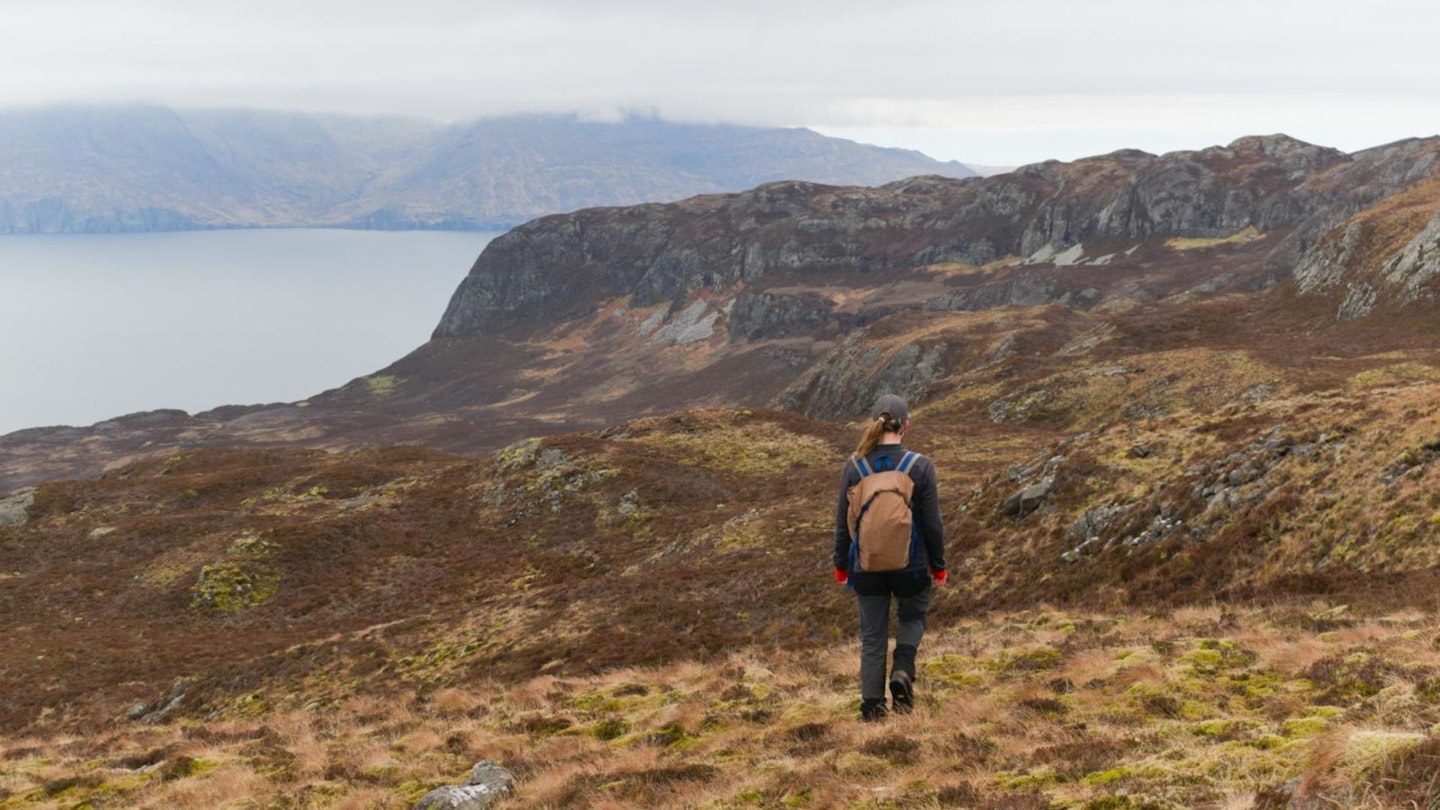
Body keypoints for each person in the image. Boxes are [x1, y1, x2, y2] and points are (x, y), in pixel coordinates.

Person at [833, 393, 946, 722]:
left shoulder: (854, 466)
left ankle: (872, 709)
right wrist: (938, 566)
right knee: (912, 619)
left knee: (872, 635)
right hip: (911, 566)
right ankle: (902, 670)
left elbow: (843, 524)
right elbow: (933, 525)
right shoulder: (921, 466)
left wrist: (842, 565)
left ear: (874, 423)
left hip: (866, 566)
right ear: (906, 425)